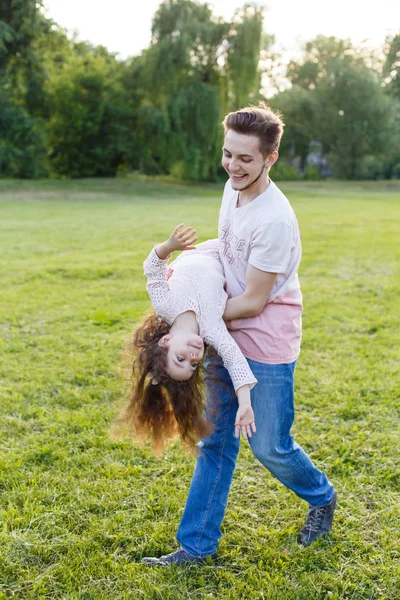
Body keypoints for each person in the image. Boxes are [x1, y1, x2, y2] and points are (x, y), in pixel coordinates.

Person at [142, 103, 336, 566]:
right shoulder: (234, 188)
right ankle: (195, 546)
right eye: (228, 154)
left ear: (270, 158)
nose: (232, 166)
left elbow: (252, 301)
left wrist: (197, 316)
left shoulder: (275, 220)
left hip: (265, 338)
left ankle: (322, 496)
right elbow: (224, 250)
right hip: (219, 330)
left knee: (268, 444)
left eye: (245, 159)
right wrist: (186, 281)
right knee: (216, 441)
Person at [122, 225, 258, 454]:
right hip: (229, 257)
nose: (193, 358)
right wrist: (245, 403)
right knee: (261, 240)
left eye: (180, 358)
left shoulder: (165, 305)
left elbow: (152, 270)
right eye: (193, 364)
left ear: (166, 341)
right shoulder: (212, 328)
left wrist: (168, 246)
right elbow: (235, 361)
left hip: (200, 250)